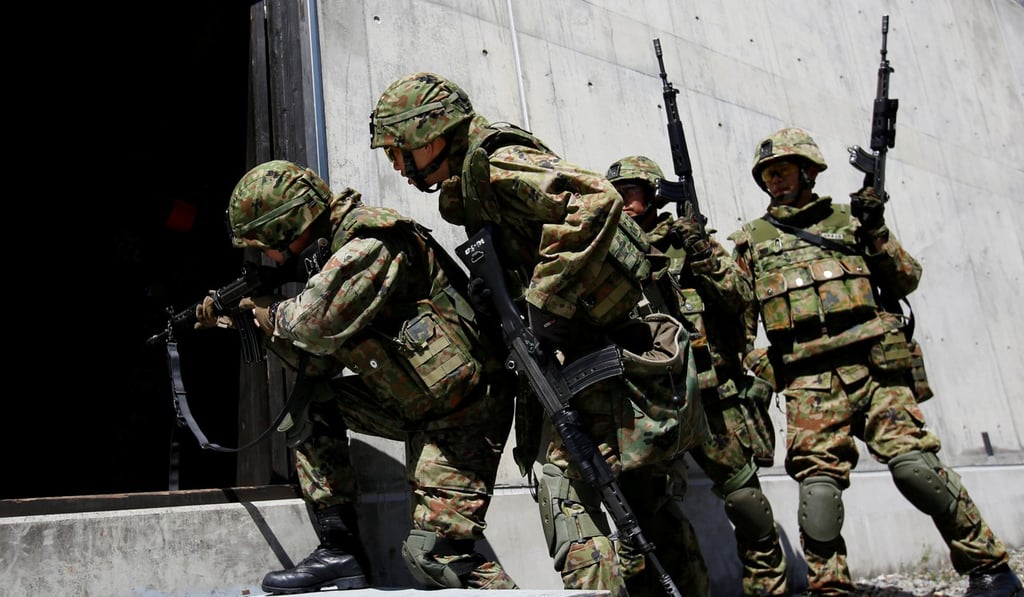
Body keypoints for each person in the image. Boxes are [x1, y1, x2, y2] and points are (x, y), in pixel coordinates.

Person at [369, 72, 710, 595]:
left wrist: (539, 303)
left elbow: (595, 201)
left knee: (566, 494)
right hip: (590, 350)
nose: (397, 165)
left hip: (591, 349)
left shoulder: (494, 159)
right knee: (643, 502)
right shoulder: (473, 179)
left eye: (398, 150)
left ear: (430, 135)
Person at [195, 159, 519, 592]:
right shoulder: (330, 256)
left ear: (291, 225)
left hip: (465, 413)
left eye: (266, 245)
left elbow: (314, 323)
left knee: (437, 558)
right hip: (412, 398)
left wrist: (264, 312)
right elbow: (317, 361)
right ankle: (340, 549)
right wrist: (245, 324)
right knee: (310, 404)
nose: (268, 257)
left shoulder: (371, 241)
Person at [728, 127, 1023, 597]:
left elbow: (906, 280)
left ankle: (990, 568)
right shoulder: (750, 243)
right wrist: (768, 369)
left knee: (916, 469)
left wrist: (877, 229)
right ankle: (831, 588)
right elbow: (739, 325)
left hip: (876, 369)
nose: (774, 182)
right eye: (767, 175)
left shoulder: (852, 222)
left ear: (808, 171)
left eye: (782, 171)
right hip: (810, 382)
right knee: (818, 491)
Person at [607, 155, 789, 596]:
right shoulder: (608, 248)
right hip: (651, 405)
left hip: (711, 399)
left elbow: (740, 297)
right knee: (648, 518)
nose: (625, 202)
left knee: (747, 503)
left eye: (633, 192)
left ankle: (769, 589)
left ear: (653, 194)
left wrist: (702, 252)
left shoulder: (687, 241)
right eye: (618, 193)